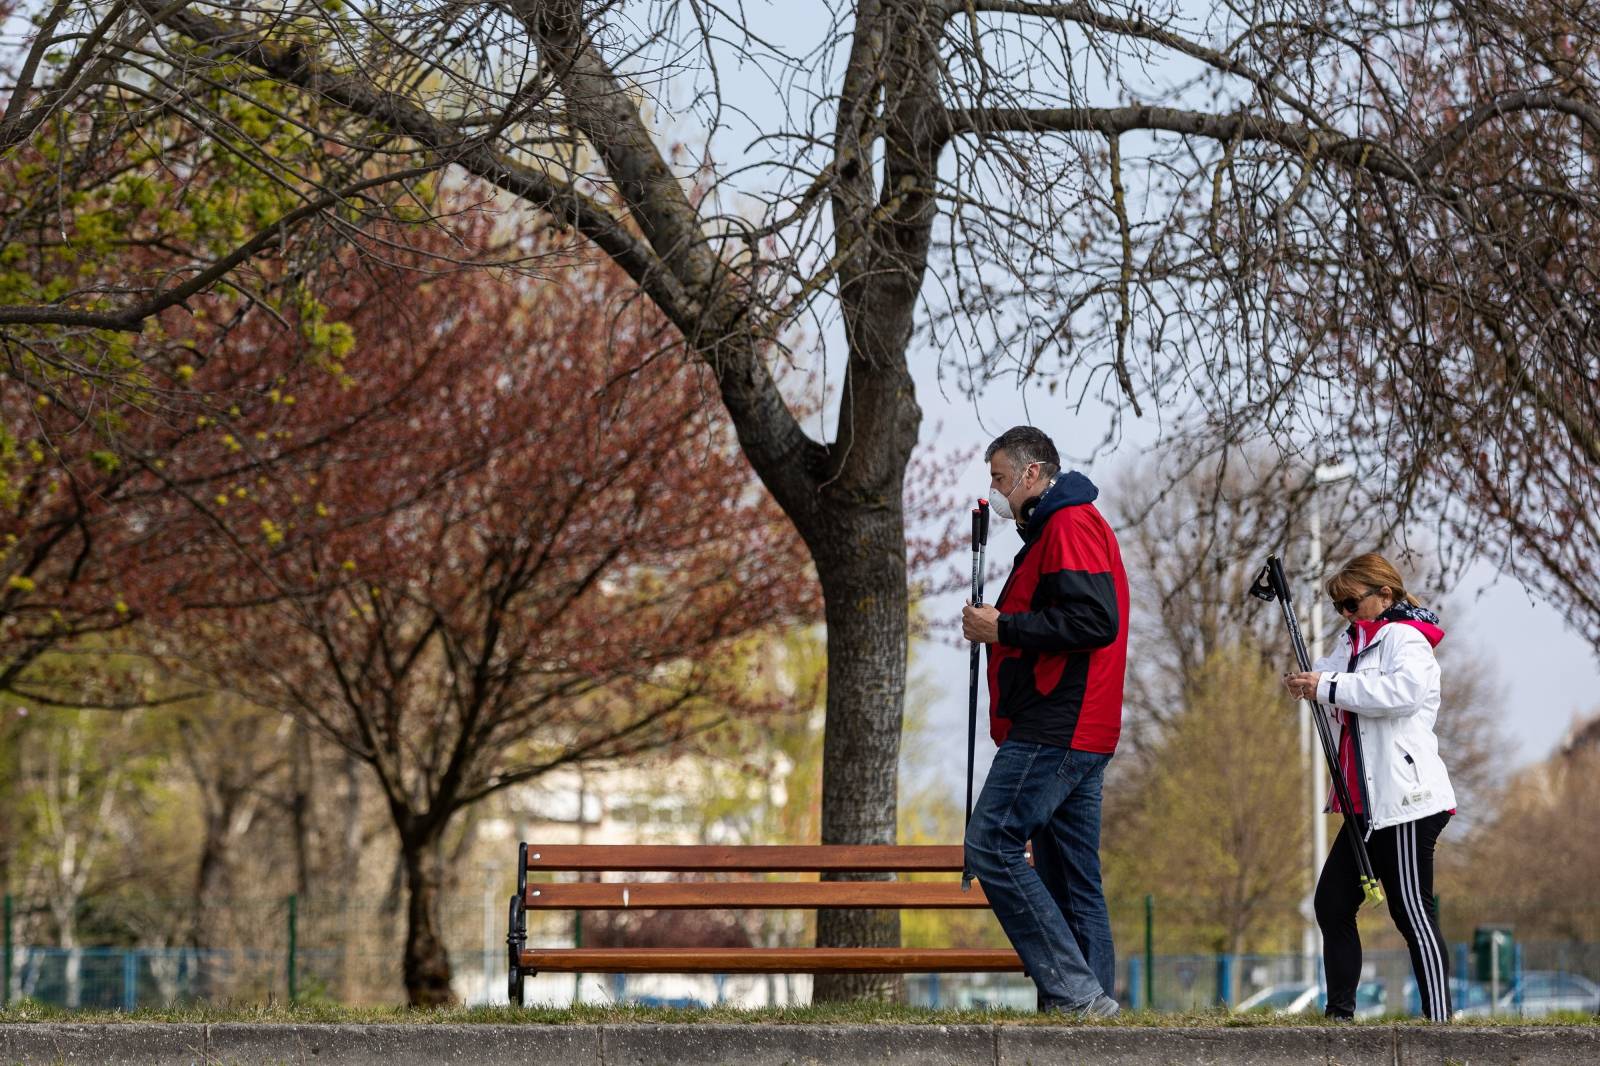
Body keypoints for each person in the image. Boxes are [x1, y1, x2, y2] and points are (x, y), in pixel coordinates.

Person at [960, 426, 1129, 1016]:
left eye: (1001, 478)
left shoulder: (1068, 524)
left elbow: (1092, 622)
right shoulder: (1064, 525)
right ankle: (1087, 1018)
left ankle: (1079, 998)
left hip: (1056, 726)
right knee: (1070, 878)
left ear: (1032, 474)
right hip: (1079, 726)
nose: (998, 491)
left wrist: (1000, 627)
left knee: (990, 843)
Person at [1282, 552, 1457, 1022]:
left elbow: (1402, 695)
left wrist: (1329, 686)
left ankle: (1440, 1022)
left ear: (1385, 593)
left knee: (1411, 913)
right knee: (1332, 905)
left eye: (1351, 602)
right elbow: (1327, 676)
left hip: (1406, 802)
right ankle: (1339, 1016)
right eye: (1338, 604)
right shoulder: (1355, 640)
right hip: (1364, 805)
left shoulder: (1405, 639)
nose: (1345, 612)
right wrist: (1306, 681)